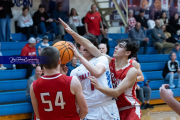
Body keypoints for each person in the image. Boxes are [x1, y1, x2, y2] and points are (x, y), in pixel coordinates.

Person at [59, 18, 140, 120]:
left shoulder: (131, 70)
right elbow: (89, 45)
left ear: (128, 53)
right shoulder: (109, 61)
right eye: (116, 45)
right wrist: (72, 32)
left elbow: (116, 92)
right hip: (115, 106)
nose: (115, 47)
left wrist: (98, 87)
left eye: (119, 46)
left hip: (129, 107)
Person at [69, 35, 120, 120]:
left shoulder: (102, 59)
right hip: (89, 110)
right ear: (79, 49)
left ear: (94, 47)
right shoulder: (74, 72)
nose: (85, 46)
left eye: (88, 44)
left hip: (108, 106)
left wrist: (79, 56)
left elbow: (97, 72)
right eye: (82, 44)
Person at [30, 46, 88, 120]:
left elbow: (38, 115)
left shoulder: (33, 86)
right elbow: (85, 110)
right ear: (59, 61)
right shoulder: (73, 81)